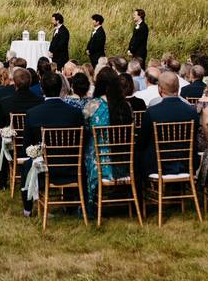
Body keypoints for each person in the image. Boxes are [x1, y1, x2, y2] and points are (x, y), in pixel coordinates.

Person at [21, 72, 84, 216]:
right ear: (62, 87)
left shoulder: (33, 113)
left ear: (42, 89)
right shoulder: (75, 113)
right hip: (72, 166)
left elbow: (27, 146)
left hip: (45, 167)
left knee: (26, 165)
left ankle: (27, 209)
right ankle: (71, 206)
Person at [84, 67, 133, 215]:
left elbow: (85, 129)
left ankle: (89, 202)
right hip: (123, 160)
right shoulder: (126, 106)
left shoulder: (92, 106)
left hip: (98, 161)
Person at [136, 71, 197, 176]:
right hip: (186, 162)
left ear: (160, 89)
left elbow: (142, 141)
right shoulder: (191, 111)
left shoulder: (152, 112)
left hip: (157, 164)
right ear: (178, 88)